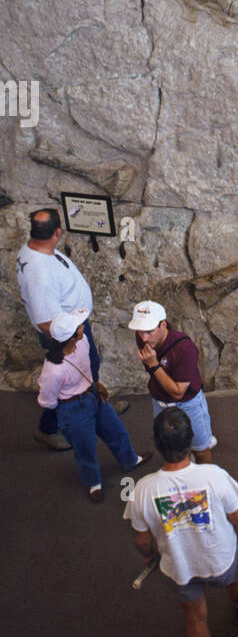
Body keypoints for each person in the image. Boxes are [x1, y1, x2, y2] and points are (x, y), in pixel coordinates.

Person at [124, 406, 238, 637]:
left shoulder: (143, 490)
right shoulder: (213, 475)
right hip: (219, 556)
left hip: (179, 568)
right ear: (190, 440)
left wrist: (149, 555)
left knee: (194, 618)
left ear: (158, 444)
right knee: (236, 582)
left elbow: (141, 540)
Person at [16, 207, 127, 450]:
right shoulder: (39, 274)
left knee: (90, 366)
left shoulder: (35, 248)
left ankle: (98, 403)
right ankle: (48, 429)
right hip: (65, 334)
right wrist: (70, 343)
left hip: (72, 325)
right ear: (57, 232)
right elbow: (46, 320)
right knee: (70, 380)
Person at [37, 308, 149, 500]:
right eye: (79, 326)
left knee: (116, 430)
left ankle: (129, 460)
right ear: (72, 337)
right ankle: (93, 483)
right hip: (72, 409)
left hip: (94, 396)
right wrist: (68, 409)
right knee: (85, 448)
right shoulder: (53, 370)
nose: (83, 326)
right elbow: (47, 400)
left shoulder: (83, 342)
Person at [128, 300, 217, 463]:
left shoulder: (185, 349)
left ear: (163, 325)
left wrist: (154, 365)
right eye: (140, 332)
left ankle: (205, 482)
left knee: (201, 450)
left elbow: (178, 392)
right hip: (160, 403)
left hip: (187, 403)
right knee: (170, 451)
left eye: (149, 331)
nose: (144, 338)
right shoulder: (142, 337)